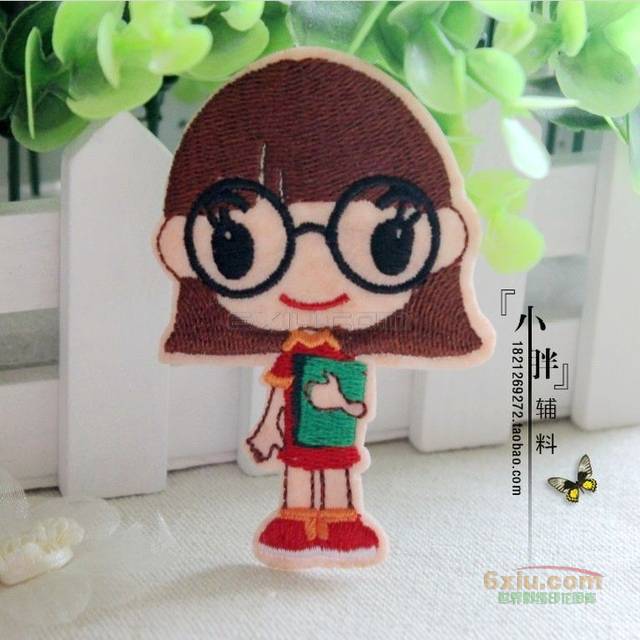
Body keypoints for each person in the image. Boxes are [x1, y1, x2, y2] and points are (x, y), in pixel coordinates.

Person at [155, 48, 494, 570]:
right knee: (300, 472)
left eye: (388, 241)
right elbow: (279, 395)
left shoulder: (341, 359)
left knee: (336, 470)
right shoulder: (291, 355)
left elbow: (355, 408)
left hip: (334, 433)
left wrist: (340, 402)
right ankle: (296, 523)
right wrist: (268, 430)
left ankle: (342, 523)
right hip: (300, 437)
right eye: (235, 246)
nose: (312, 277)